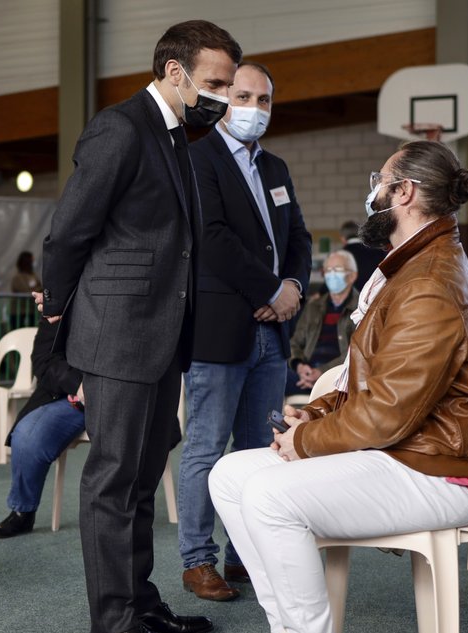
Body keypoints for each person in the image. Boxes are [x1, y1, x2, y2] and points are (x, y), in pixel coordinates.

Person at [204, 140, 468, 633]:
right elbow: (368, 382)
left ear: (404, 193)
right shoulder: (410, 265)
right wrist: (313, 417)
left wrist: (306, 442)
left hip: (436, 468)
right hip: (408, 448)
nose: (373, 192)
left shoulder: (430, 280)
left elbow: (388, 413)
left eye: (379, 181)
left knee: (269, 494)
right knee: (230, 474)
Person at [39, 20, 242, 633]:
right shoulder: (120, 128)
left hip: (160, 333)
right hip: (118, 332)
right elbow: (69, 231)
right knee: (114, 480)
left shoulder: (175, 134)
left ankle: (140, 601)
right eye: (215, 83)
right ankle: (113, 628)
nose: (223, 97)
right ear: (174, 72)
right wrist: (57, 312)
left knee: (142, 477)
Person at [177, 61, 312, 602]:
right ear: (222, 100)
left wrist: (293, 287)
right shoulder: (198, 158)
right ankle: (197, 560)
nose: (255, 108)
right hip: (220, 328)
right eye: (243, 97)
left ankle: (242, 556)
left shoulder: (275, 166)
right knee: (206, 447)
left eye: (264, 100)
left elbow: (298, 236)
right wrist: (270, 290)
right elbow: (211, 238)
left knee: (259, 448)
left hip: (272, 333)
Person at [0, 316, 86, 538]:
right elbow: (44, 359)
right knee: (27, 436)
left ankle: (130, 508)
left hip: (123, 393)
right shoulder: (60, 304)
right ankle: (23, 511)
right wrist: (78, 385)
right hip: (68, 395)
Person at [286, 249, 359, 396]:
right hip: (306, 374)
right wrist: (299, 366)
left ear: (352, 276)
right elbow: (295, 343)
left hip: (339, 377)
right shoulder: (314, 306)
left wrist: (322, 373)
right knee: (275, 376)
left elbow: (357, 352)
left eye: (337, 269)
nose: (332, 274)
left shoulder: (362, 308)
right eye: (328, 270)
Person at [340, 219, 385, 292]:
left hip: (352, 296)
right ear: (361, 235)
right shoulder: (378, 252)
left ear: (343, 239)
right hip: (375, 294)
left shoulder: (340, 256)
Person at [10, 251, 42, 330]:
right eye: (32, 261)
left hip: (31, 311)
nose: (33, 263)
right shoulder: (17, 277)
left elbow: (39, 287)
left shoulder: (33, 275)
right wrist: (37, 290)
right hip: (19, 312)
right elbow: (26, 290)